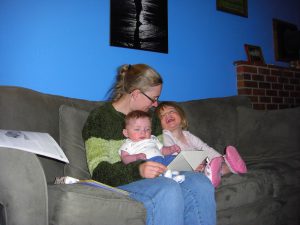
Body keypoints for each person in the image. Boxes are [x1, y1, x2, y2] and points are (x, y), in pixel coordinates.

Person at [82, 63, 216, 225]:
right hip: (122, 183)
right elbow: (99, 173)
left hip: (158, 176)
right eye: (154, 99)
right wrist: (138, 169)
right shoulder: (100, 118)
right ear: (136, 94)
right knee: (168, 189)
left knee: (201, 183)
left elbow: (160, 157)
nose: (155, 105)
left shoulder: (152, 118)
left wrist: (186, 164)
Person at [155, 101, 247, 187]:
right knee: (200, 159)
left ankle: (232, 166)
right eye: (162, 116)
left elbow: (204, 148)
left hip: (199, 166)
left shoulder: (188, 135)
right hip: (180, 169)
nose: (168, 115)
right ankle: (212, 173)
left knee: (214, 162)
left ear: (181, 115)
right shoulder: (165, 136)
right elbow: (172, 159)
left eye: (171, 111)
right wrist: (191, 166)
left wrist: (218, 158)